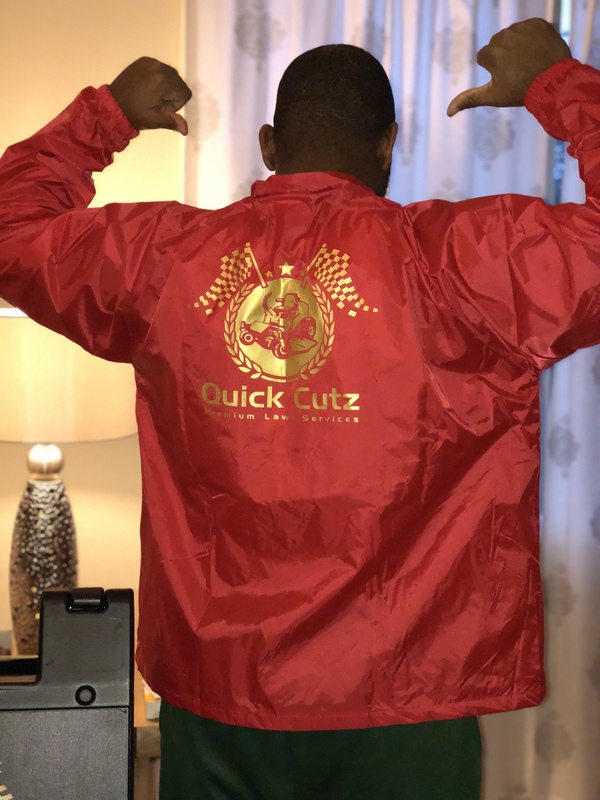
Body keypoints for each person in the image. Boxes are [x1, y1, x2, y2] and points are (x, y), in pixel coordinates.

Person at [0, 16, 595, 800]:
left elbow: (13, 228)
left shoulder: (164, 261)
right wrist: (558, 83)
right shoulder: (466, 265)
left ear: (269, 145)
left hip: (222, 697)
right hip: (407, 702)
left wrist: (105, 116)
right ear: (387, 145)